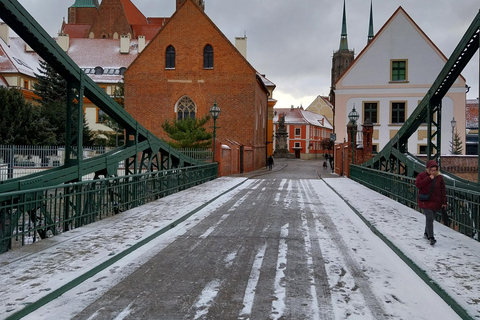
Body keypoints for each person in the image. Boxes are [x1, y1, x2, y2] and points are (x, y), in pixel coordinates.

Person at [415, 160, 447, 245]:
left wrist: (444, 202)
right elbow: (418, 185)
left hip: (436, 201)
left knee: (431, 219)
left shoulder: (439, 177)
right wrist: (429, 178)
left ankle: (426, 233)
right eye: (432, 170)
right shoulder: (422, 175)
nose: (434, 172)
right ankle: (431, 237)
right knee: (429, 217)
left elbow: (443, 190)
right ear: (428, 169)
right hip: (425, 200)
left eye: (435, 170)